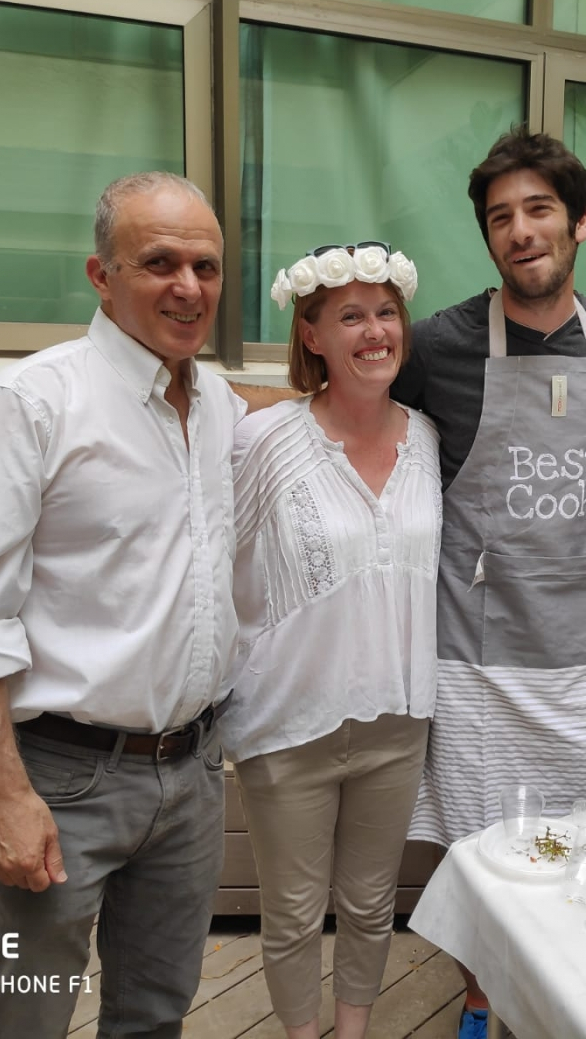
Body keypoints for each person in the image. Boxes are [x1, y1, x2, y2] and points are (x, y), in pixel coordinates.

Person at [0, 172, 244, 1038]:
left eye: (207, 267)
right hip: (61, 779)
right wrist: (1, 794)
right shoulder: (27, 406)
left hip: (190, 772)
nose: (189, 287)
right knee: (24, 1022)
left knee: (155, 1014)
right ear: (102, 276)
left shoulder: (216, 405)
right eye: (160, 263)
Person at [391, 127, 586, 1039]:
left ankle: (569, 993)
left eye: (539, 209)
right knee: (477, 849)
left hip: (580, 651)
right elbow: (360, 417)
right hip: (476, 654)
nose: (521, 230)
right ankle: (479, 996)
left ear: (580, 222)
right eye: (501, 217)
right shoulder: (439, 343)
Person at [222, 243, 440, 1039]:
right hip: (289, 725)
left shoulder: (429, 439)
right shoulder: (265, 441)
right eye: (350, 316)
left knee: (372, 903)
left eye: (385, 313)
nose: (375, 331)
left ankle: (352, 1031)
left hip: (396, 722)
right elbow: (218, 562)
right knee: (290, 912)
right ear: (311, 335)